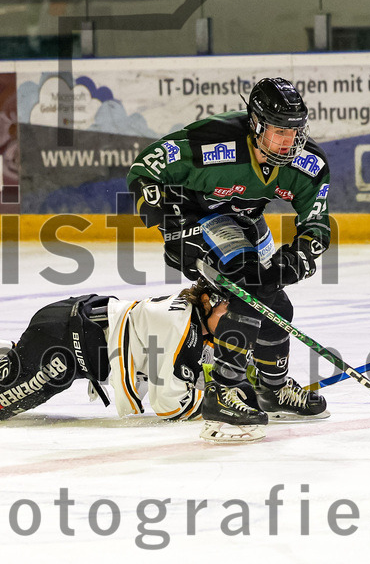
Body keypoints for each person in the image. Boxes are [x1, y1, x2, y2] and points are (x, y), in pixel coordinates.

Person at [126, 77, 331, 440]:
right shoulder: (213, 141)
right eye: (278, 132)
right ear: (255, 124)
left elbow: (316, 224)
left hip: (246, 221)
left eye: (294, 133)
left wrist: (298, 258)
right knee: (249, 284)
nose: (288, 142)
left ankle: (273, 388)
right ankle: (224, 390)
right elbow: (147, 166)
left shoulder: (308, 164)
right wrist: (153, 205)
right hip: (192, 219)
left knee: (275, 301)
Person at [0, 280, 266, 440]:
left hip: (65, 324)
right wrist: (214, 398)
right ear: (210, 300)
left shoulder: (185, 314)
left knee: (28, 366)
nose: (234, 321)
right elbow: (168, 405)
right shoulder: (183, 329)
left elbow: (160, 370)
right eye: (231, 310)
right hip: (70, 346)